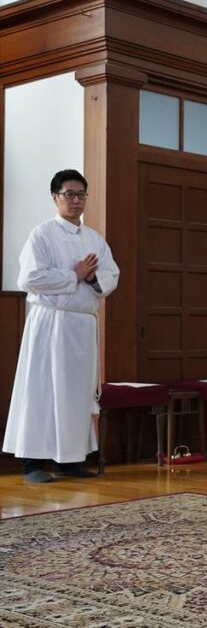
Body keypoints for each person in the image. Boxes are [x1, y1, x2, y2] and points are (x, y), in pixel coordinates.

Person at [3, 169, 119, 483]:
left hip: (82, 325)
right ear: (55, 198)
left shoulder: (93, 238)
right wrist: (74, 275)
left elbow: (111, 276)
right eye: (69, 194)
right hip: (50, 323)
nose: (76, 200)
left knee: (76, 395)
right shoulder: (42, 235)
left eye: (81, 194)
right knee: (42, 391)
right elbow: (29, 278)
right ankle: (33, 463)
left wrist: (92, 278)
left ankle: (68, 460)